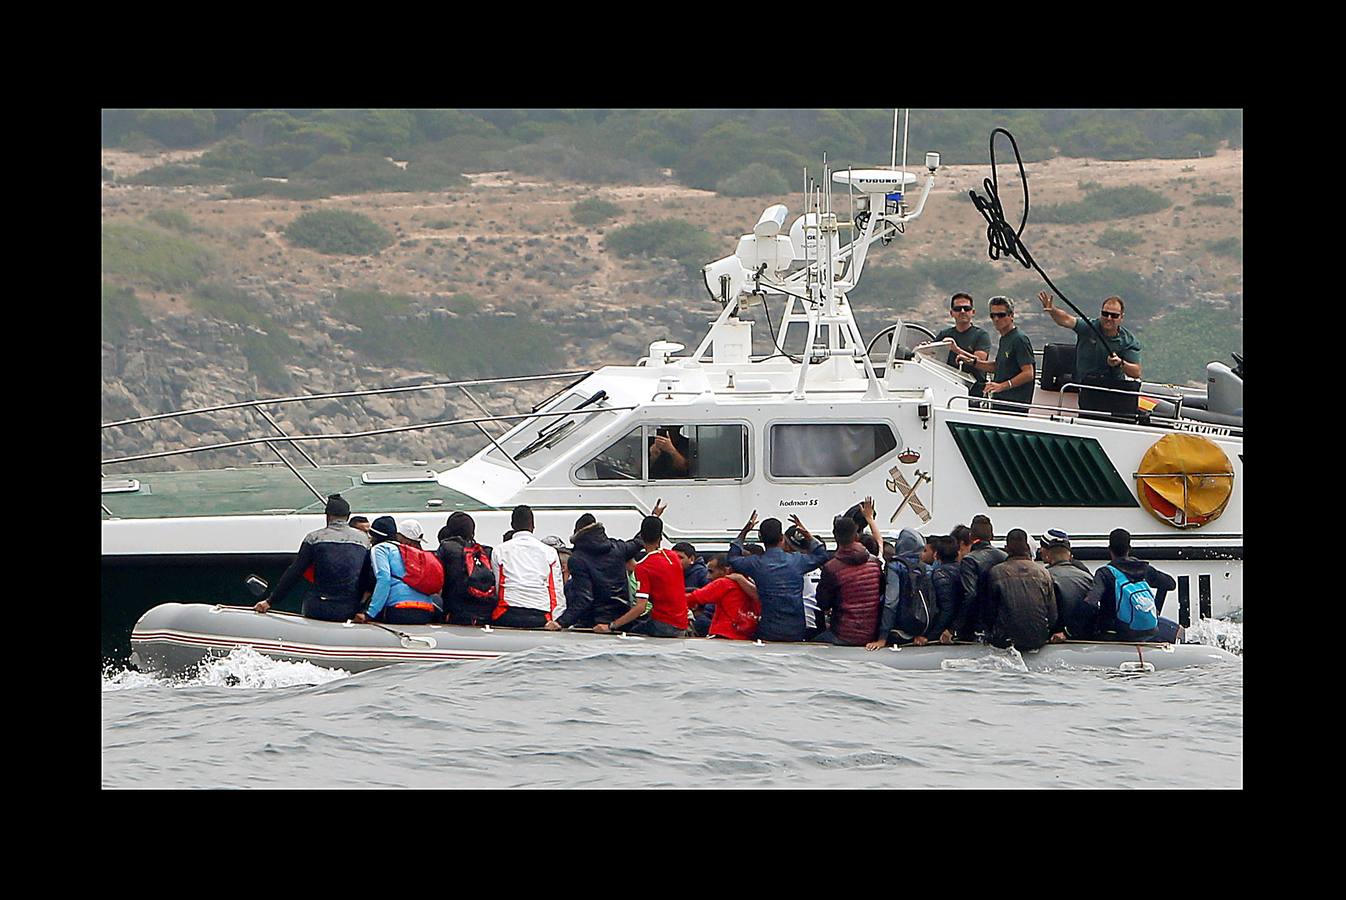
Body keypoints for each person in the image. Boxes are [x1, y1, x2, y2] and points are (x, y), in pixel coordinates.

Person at [254, 493, 372, 622]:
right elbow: (368, 578)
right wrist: (363, 610)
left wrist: (270, 601)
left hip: (318, 607)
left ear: (327, 515)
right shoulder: (364, 540)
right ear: (348, 516)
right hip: (349, 608)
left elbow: (295, 572)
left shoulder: (313, 538)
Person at [555, 506, 660, 630]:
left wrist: (560, 622)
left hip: (593, 623)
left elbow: (584, 598)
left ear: (576, 533)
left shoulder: (577, 559)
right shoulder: (618, 548)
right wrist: (653, 518)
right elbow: (639, 541)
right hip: (621, 621)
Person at [728, 512, 829, 642]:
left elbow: (732, 557)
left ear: (760, 539)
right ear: (782, 538)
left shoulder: (756, 564)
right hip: (796, 630)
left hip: (768, 630)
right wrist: (807, 535)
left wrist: (744, 532)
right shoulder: (797, 561)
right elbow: (822, 555)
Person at [1038, 290, 1142, 414]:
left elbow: (1136, 372)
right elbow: (1066, 320)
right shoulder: (1089, 327)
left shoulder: (1128, 340)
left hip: (1113, 388)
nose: (1109, 318)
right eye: (1105, 314)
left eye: (1114, 316)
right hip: (1086, 387)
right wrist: (1053, 310)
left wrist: (1120, 363)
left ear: (1121, 318)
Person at [599, 515, 692, 637]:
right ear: (661, 537)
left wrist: (611, 626)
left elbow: (641, 607)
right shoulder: (673, 557)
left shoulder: (643, 567)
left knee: (628, 632)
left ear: (641, 537)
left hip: (663, 625)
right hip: (682, 624)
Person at [1081, 528, 1177, 642]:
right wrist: (1156, 610)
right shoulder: (1144, 569)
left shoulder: (1105, 573)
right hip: (1144, 633)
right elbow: (1170, 584)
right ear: (1129, 548)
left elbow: (1091, 601)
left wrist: (1072, 628)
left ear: (1109, 549)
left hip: (1113, 634)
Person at [983, 529, 1062, 651]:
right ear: (1027, 548)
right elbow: (1052, 614)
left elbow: (989, 612)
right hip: (1038, 638)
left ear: (1006, 548)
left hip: (1006, 639)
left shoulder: (996, 572)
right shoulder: (1043, 572)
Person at [812, 515, 883, 646]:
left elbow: (823, 603)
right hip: (872, 633)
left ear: (836, 537)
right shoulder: (875, 563)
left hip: (843, 635)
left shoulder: (831, 568)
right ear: (856, 536)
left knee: (812, 643)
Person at [492, 505, 566, 629]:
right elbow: (556, 591)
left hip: (507, 614)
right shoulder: (549, 552)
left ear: (512, 525)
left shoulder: (499, 550)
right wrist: (556, 621)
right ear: (533, 526)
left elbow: (497, 586)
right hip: (540, 616)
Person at [363, 516, 443, 625]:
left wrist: (369, 614)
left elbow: (384, 579)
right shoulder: (407, 551)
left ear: (375, 537)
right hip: (426, 612)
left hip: (399, 610)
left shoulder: (380, 549)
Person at [946, 514, 1007, 643]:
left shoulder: (970, 560)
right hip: (1000, 623)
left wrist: (954, 628)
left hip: (977, 625)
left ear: (971, 536)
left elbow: (970, 594)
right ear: (992, 536)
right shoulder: (1004, 557)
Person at [435, 511, 496, 626]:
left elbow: (438, 582)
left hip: (458, 615)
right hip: (486, 616)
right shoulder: (486, 552)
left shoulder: (447, 548)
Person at [975, 297, 1036, 412]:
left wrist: (1001, 386)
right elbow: (998, 366)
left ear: (1011, 315)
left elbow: (1029, 373)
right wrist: (973, 362)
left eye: (1001, 315)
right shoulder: (1004, 339)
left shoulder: (1019, 339)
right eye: (993, 316)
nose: (996, 319)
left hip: (1014, 404)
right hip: (1000, 401)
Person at [1038, 528, 1096, 639]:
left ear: (1047, 553)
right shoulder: (1087, 577)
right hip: (1084, 639)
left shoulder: (1044, 577)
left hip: (1054, 640)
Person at [688, 555, 761, 640]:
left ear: (726, 570)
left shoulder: (724, 583)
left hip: (724, 635)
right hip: (748, 636)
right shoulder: (752, 584)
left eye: (711, 572)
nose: (708, 577)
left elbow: (694, 597)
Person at [936, 292, 993, 397]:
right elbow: (933, 357)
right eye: (958, 309)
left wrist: (956, 349)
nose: (962, 312)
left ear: (973, 312)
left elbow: (980, 361)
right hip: (947, 388)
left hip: (974, 390)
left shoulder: (981, 335)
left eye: (966, 308)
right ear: (951, 313)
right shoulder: (944, 334)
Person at [784, 524, 827, 638]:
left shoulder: (791, 567)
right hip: (819, 624)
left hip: (800, 626)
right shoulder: (818, 568)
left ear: (788, 546)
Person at [674, 542, 712, 635]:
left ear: (691, 559)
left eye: (680, 557)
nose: (676, 560)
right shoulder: (670, 573)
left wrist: (700, 613)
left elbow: (712, 598)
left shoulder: (702, 574)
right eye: (674, 557)